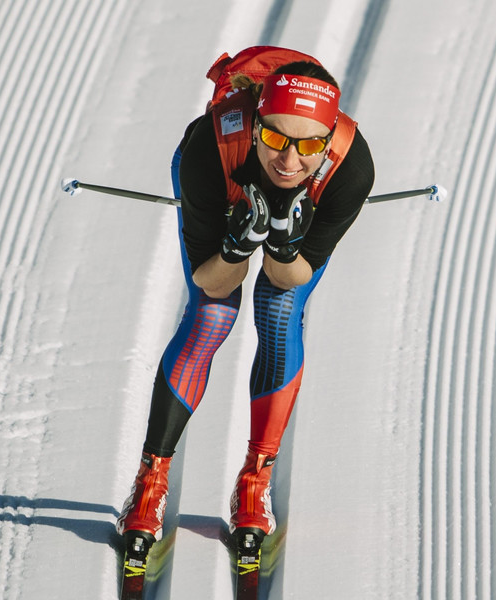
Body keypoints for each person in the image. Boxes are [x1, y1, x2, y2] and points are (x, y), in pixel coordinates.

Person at [116, 47, 375, 547]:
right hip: (224, 183)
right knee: (211, 316)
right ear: (256, 124)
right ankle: (150, 479)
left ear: (328, 141)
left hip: (296, 229)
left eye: (308, 145)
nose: (289, 159)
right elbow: (213, 282)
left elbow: (288, 277)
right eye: (276, 137)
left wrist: (281, 241)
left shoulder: (350, 168)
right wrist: (237, 245)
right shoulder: (210, 148)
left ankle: (255, 481)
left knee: (278, 311)